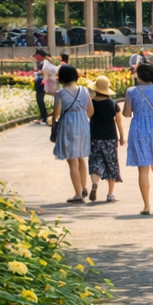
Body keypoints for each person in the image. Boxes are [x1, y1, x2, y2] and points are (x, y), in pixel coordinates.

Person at [123, 62, 153, 215]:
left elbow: (126, 113)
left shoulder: (132, 91)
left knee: (143, 169)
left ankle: (146, 205)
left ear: (139, 76)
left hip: (138, 129)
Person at [51, 64, 91, 204]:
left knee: (72, 161)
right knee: (81, 158)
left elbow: (56, 114)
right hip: (83, 124)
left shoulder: (61, 93)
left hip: (68, 124)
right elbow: (90, 111)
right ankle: (83, 187)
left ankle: (78, 194)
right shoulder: (84, 90)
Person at [87, 75, 124, 203]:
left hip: (94, 136)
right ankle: (110, 193)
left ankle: (94, 184)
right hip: (110, 137)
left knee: (95, 162)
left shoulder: (91, 103)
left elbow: (88, 116)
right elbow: (118, 121)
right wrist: (122, 136)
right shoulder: (113, 104)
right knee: (111, 163)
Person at [32, 49, 51, 123]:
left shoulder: (45, 62)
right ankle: (42, 117)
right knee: (39, 100)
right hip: (40, 82)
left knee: (40, 100)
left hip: (42, 83)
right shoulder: (41, 62)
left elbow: (46, 72)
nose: (35, 57)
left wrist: (39, 72)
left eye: (36, 56)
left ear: (40, 56)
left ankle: (43, 118)